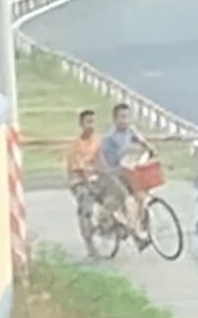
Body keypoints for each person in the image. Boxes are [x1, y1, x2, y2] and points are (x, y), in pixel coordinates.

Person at [99, 100, 157, 239]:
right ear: (115, 120)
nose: (125, 121)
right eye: (122, 117)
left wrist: (150, 148)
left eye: (127, 117)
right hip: (114, 172)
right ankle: (131, 230)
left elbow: (142, 141)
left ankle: (139, 224)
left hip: (127, 169)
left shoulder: (131, 131)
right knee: (124, 199)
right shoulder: (110, 138)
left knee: (141, 195)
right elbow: (103, 157)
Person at [66, 107, 103, 247]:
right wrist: (89, 181)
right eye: (88, 122)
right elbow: (79, 169)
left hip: (96, 177)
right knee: (86, 202)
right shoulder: (76, 146)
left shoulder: (98, 140)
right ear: (81, 124)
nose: (91, 126)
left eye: (93, 122)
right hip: (80, 181)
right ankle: (89, 241)